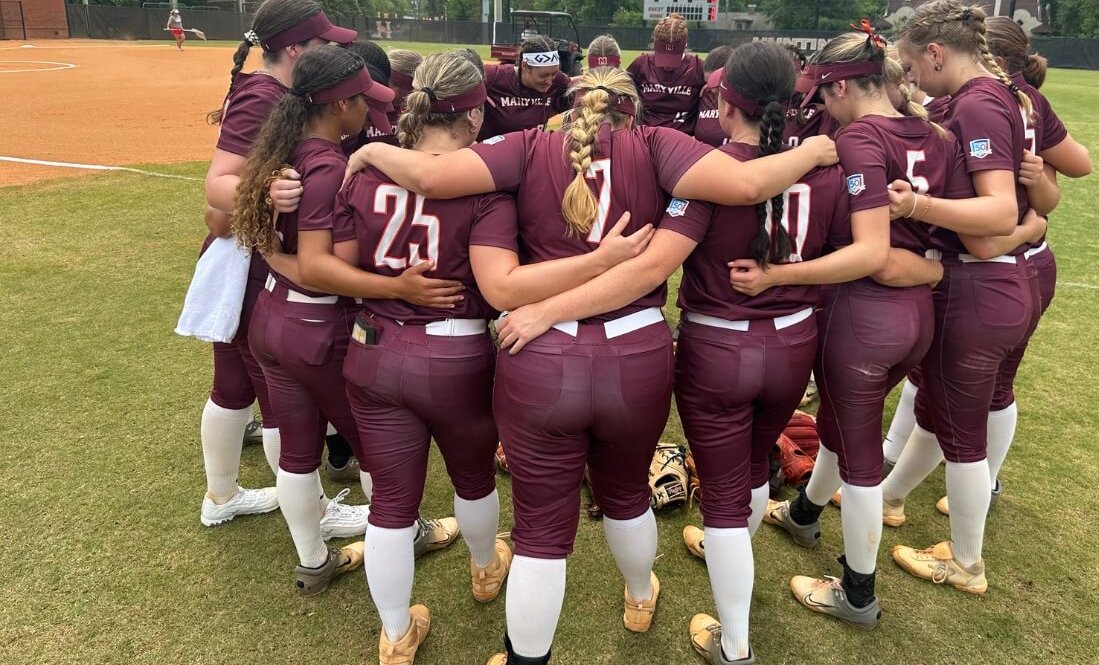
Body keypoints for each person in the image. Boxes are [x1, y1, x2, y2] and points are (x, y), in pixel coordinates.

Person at [337, 65, 837, 665]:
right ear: (632, 109)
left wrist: (370, 148)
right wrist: (812, 148)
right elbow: (749, 184)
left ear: (569, 107)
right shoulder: (658, 144)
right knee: (627, 496)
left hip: (540, 357)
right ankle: (637, 594)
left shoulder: (528, 144)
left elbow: (434, 176)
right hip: (636, 352)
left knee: (541, 534)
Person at [522, 41, 851, 664]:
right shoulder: (825, 165)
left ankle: (737, 646)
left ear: (726, 103)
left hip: (720, 345)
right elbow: (848, 256)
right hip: (794, 340)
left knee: (725, 498)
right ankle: (735, 562)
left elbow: (653, 265)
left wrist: (546, 309)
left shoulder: (707, 170)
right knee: (753, 470)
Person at [330, 52, 654, 665]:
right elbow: (502, 284)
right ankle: (484, 569)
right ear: (475, 116)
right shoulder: (486, 184)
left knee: (391, 502)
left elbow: (343, 268)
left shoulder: (368, 172)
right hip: (456, 351)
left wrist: (393, 285)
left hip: (374, 345)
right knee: (474, 479)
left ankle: (396, 634)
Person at [875, 0, 1044, 595]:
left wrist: (915, 205)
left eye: (914, 63)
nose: (913, 75)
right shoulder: (1000, 96)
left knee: (963, 434)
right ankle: (891, 497)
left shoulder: (978, 104)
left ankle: (967, 562)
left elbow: (998, 210)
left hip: (977, 283)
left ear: (937, 51)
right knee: (938, 408)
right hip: (994, 280)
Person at [230, 45, 401, 595]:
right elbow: (327, 270)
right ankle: (398, 536)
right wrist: (397, 286)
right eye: (363, 102)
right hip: (317, 328)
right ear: (340, 105)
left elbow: (281, 250)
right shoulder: (326, 165)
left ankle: (312, 559)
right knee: (375, 443)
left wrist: (277, 258)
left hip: (272, 317)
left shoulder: (286, 154)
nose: (369, 112)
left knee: (299, 449)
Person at [198, 0, 356, 529]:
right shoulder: (266, 95)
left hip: (242, 255)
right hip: (250, 264)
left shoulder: (264, 90)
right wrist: (265, 187)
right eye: (321, 44)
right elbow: (217, 187)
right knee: (271, 398)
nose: (328, 51)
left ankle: (222, 498)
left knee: (234, 384)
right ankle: (312, 515)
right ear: (294, 50)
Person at [480, 35, 572, 140]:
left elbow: (583, 101)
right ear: (524, 66)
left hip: (530, 154)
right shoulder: (494, 77)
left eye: (554, 74)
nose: (549, 81)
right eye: (543, 76)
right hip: (492, 153)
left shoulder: (559, 82)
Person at [627, 13, 705, 135]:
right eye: (663, 56)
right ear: (654, 43)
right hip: (645, 139)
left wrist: (711, 85)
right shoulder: (641, 64)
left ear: (685, 45)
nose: (667, 65)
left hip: (683, 142)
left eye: (674, 57)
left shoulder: (697, 68)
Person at [693, 45, 734, 147]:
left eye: (715, 82)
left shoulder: (743, 101)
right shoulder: (704, 93)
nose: (712, 89)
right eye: (708, 82)